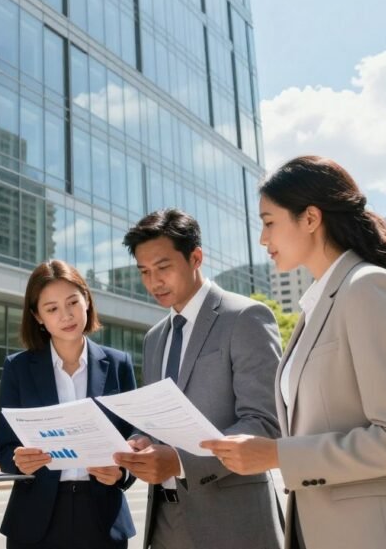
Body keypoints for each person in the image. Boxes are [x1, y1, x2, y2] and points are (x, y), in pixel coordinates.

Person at [200, 156, 386, 549]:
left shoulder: (368, 287)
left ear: (310, 218)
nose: (262, 238)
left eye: (269, 221)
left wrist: (277, 454)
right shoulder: (319, 304)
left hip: (381, 535)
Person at [114, 209, 285, 549]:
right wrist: (139, 442)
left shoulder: (246, 317)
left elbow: (264, 422)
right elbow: (157, 422)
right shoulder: (154, 338)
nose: (153, 282)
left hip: (233, 523)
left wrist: (179, 460)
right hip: (163, 523)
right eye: (144, 272)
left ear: (196, 257)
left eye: (163, 268)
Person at [0, 260, 137, 549]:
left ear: (86, 299)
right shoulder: (18, 368)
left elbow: (135, 438)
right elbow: (5, 448)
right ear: (38, 316)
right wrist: (18, 461)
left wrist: (122, 472)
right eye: (52, 309)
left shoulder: (119, 364)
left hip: (103, 518)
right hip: (35, 518)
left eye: (73, 302)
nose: (66, 315)